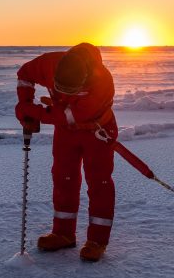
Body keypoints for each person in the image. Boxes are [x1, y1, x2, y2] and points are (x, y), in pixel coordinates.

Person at [15, 43, 117, 262]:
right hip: (66, 133)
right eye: (58, 88)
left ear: (86, 77)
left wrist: (34, 112)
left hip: (97, 132)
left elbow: (67, 115)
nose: (62, 94)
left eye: (69, 91)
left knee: (99, 183)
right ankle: (63, 233)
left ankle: (97, 240)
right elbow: (24, 74)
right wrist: (24, 102)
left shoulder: (102, 82)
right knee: (63, 178)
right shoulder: (49, 63)